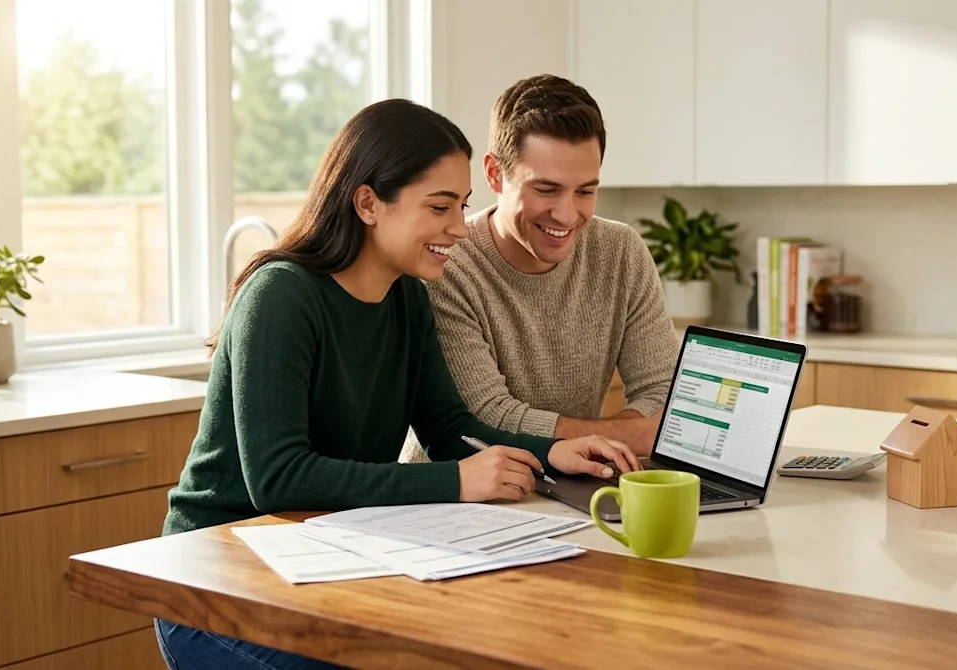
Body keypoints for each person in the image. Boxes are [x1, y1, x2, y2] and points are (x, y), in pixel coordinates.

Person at [153, 98, 639, 670]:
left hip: (320, 558)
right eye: (439, 207)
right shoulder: (281, 296)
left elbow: (449, 428)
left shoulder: (407, 295)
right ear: (368, 203)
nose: (459, 228)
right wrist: (457, 481)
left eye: (461, 205)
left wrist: (555, 452)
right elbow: (278, 480)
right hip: (214, 579)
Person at [418, 74, 681, 459]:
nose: (566, 214)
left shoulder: (621, 251)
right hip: (453, 503)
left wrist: (597, 449)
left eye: (585, 191)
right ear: (494, 174)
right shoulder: (448, 264)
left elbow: (663, 394)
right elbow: (488, 420)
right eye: (546, 189)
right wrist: (625, 438)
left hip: (568, 485)